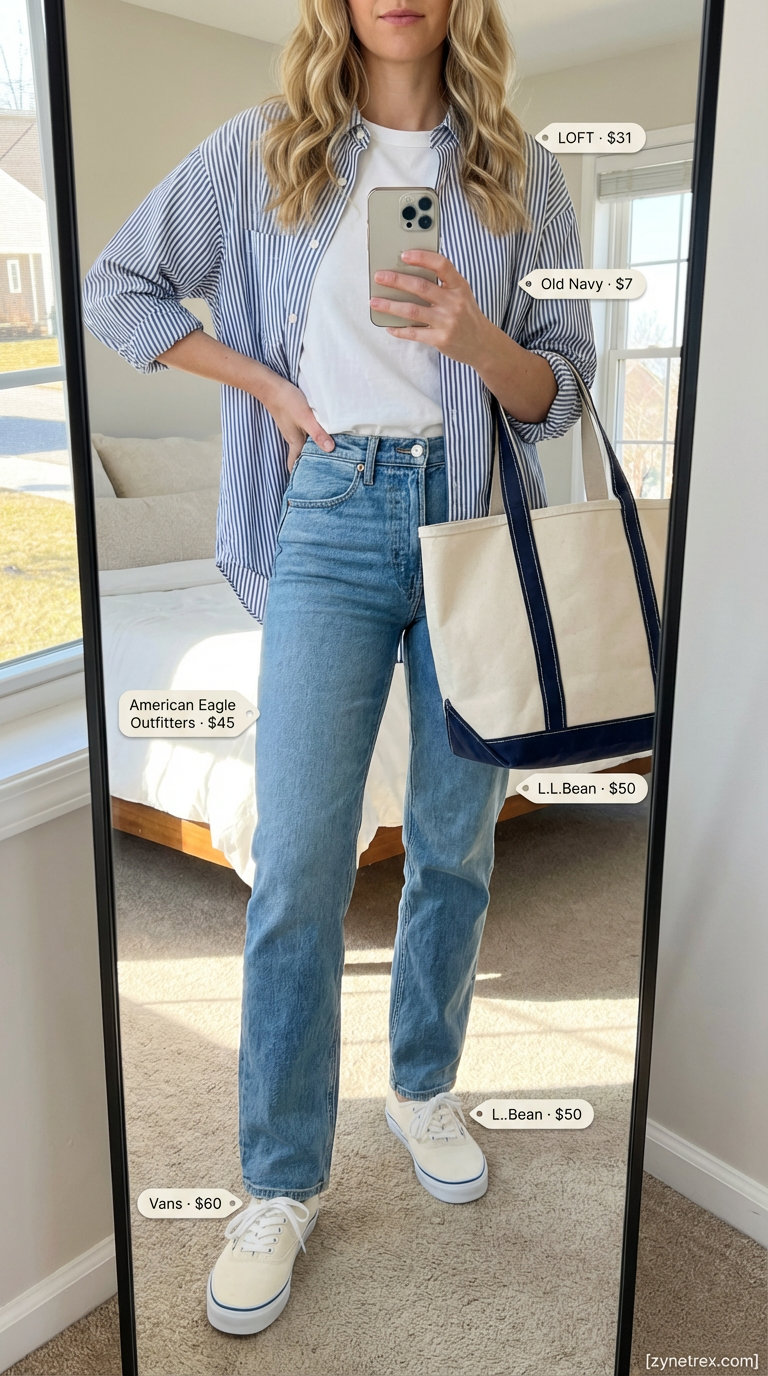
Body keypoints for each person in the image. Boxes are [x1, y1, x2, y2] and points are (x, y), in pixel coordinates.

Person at [82, 0, 596, 1340]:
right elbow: (117, 287)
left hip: (475, 527)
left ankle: (423, 1087)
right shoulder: (265, 150)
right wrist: (261, 383)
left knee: (456, 841)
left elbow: (566, 387)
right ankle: (279, 1180)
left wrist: (478, 340)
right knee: (302, 858)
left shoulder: (523, 170)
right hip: (327, 514)